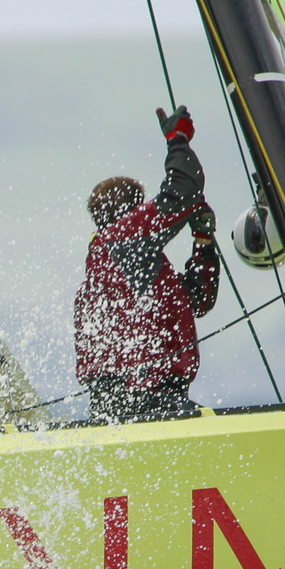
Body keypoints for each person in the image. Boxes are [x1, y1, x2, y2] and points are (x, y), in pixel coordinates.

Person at [73, 105, 220, 420]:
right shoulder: (122, 238)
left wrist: (203, 243)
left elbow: (197, 301)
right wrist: (177, 140)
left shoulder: (125, 265)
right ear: (132, 213)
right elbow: (184, 191)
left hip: (134, 400)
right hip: (143, 398)